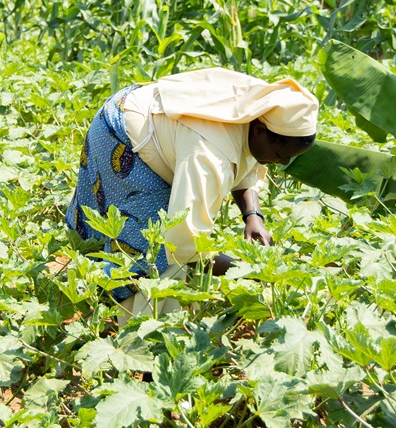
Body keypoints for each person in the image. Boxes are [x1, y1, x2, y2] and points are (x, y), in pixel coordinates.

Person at [66, 68, 317, 301]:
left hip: (143, 108)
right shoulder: (209, 154)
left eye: (291, 157)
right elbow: (184, 244)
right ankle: (131, 319)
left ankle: (97, 284)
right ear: (260, 131)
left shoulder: (265, 106)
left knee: (148, 237)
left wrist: (253, 216)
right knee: (153, 247)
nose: (283, 162)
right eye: (280, 153)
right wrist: (251, 269)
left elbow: (246, 157)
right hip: (121, 133)